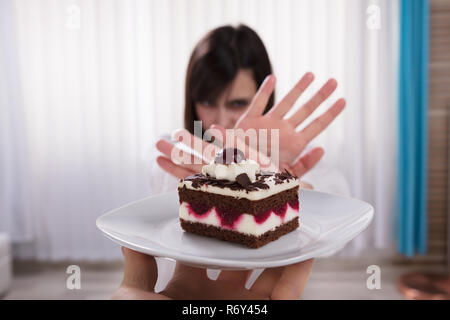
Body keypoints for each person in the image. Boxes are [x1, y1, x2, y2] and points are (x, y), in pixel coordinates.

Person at [114, 24, 350, 299]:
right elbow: (157, 167)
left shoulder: (289, 155)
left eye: (237, 103)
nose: (221, 119)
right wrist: (216, 165)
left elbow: (339, 209)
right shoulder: (174, 150)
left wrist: (276, 182)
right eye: (207, 101)